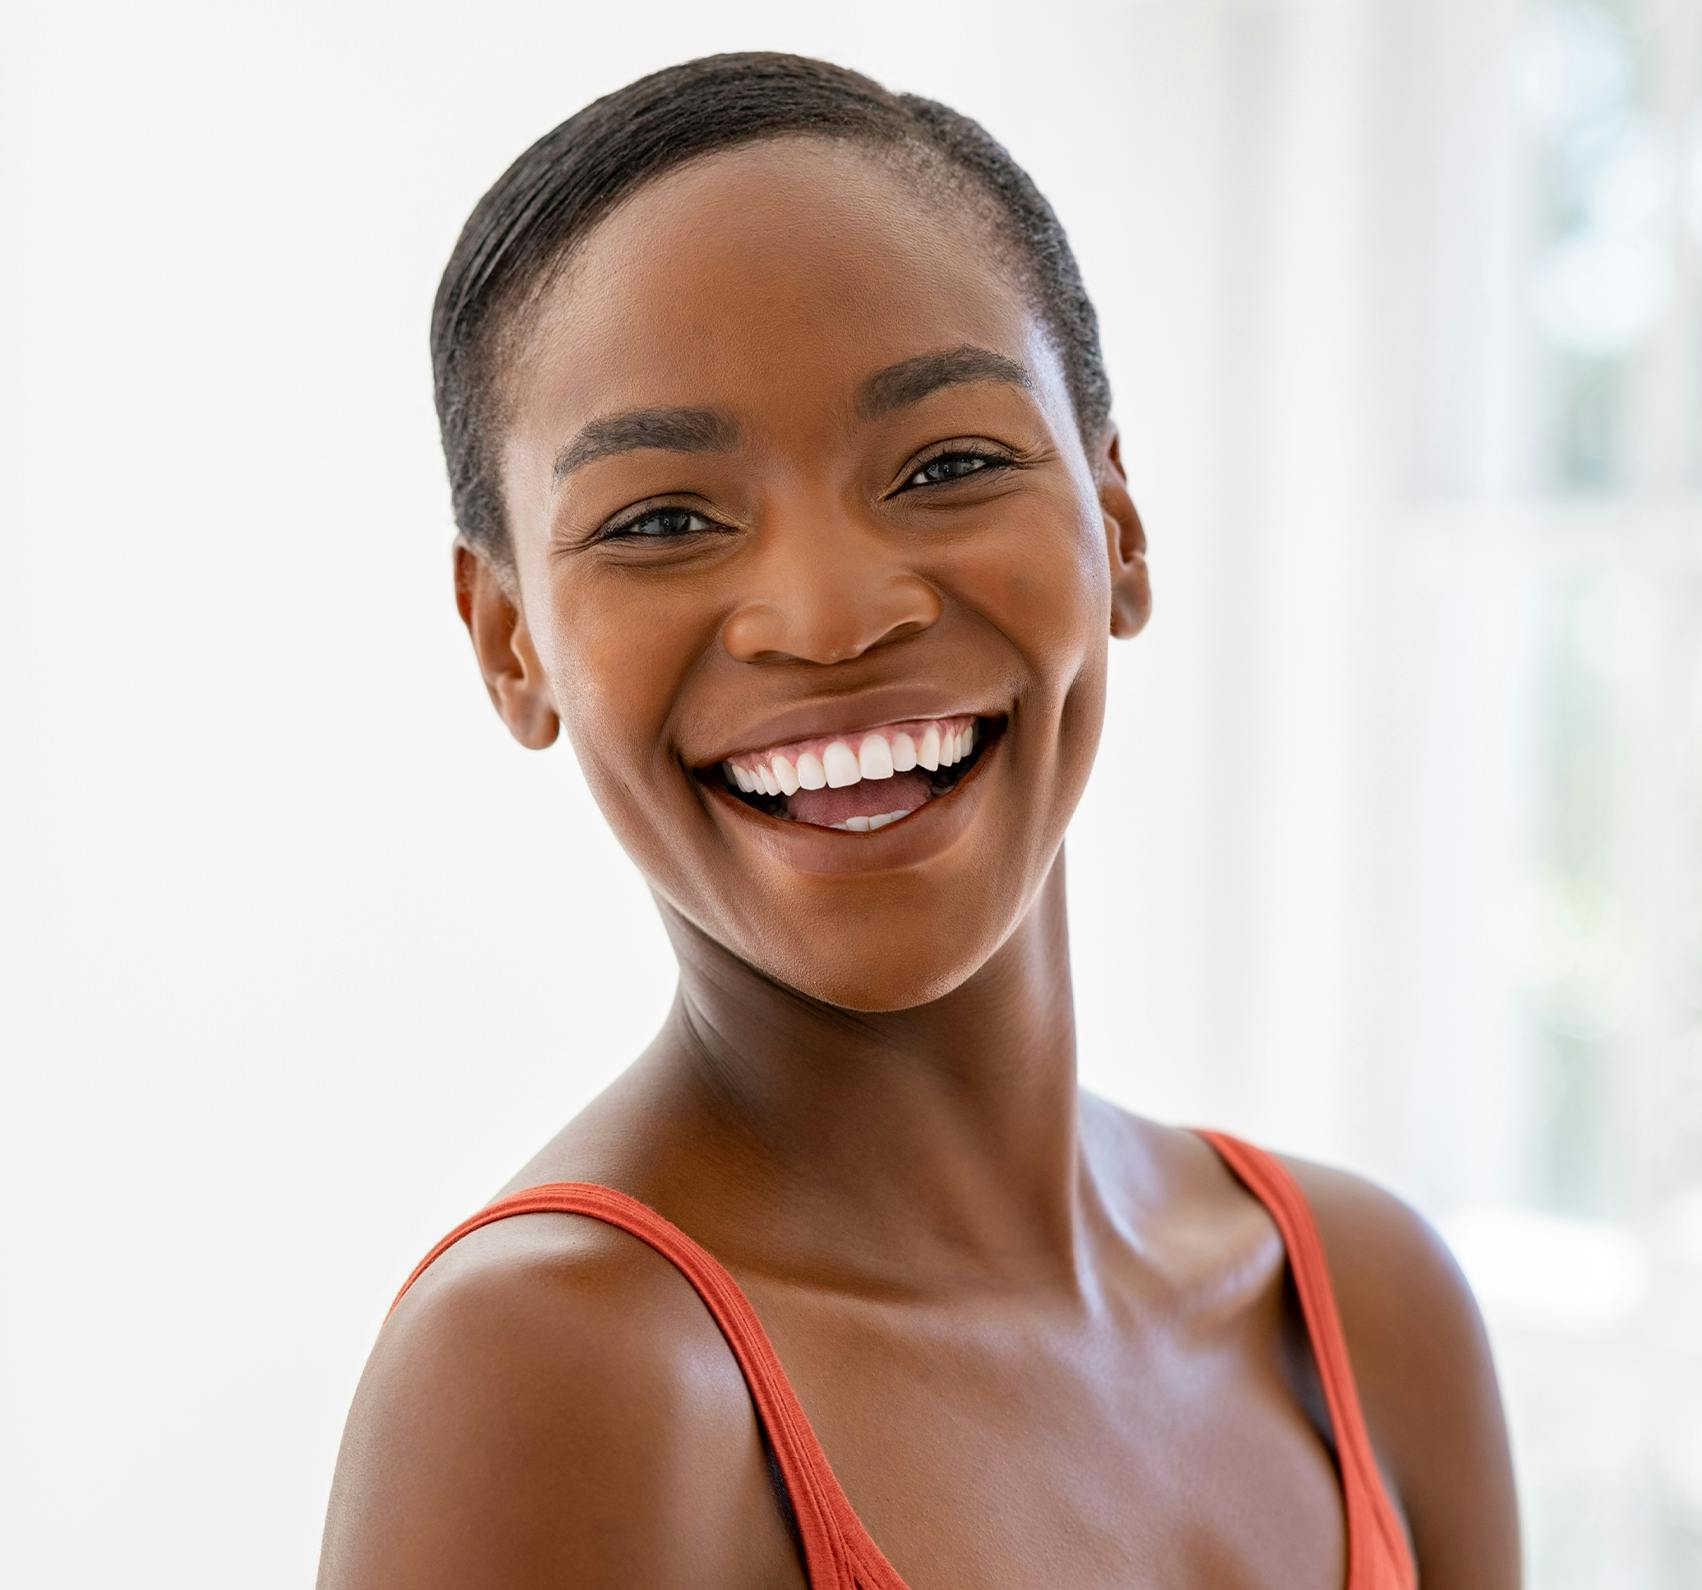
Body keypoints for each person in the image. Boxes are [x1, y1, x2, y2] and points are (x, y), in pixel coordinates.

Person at [316, 50, 1521, 1589]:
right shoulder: (559, 1363)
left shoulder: (1366, 1301)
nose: (829, 617)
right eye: (662, 519)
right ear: (509, 641)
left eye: (948, 463)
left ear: (1118, 523)